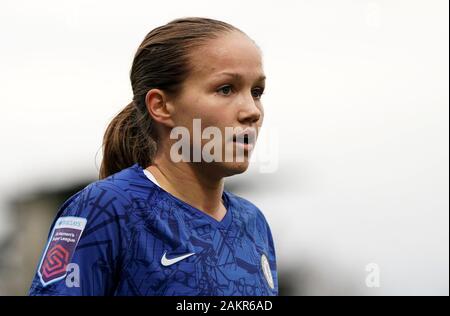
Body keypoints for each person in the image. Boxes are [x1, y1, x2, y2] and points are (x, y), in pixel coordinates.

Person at [29, 17, 278, 296]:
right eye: (225, 89)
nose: (252, 111)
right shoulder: (106, 208)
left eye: (256, 92)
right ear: (161, 106)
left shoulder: (253, 222)